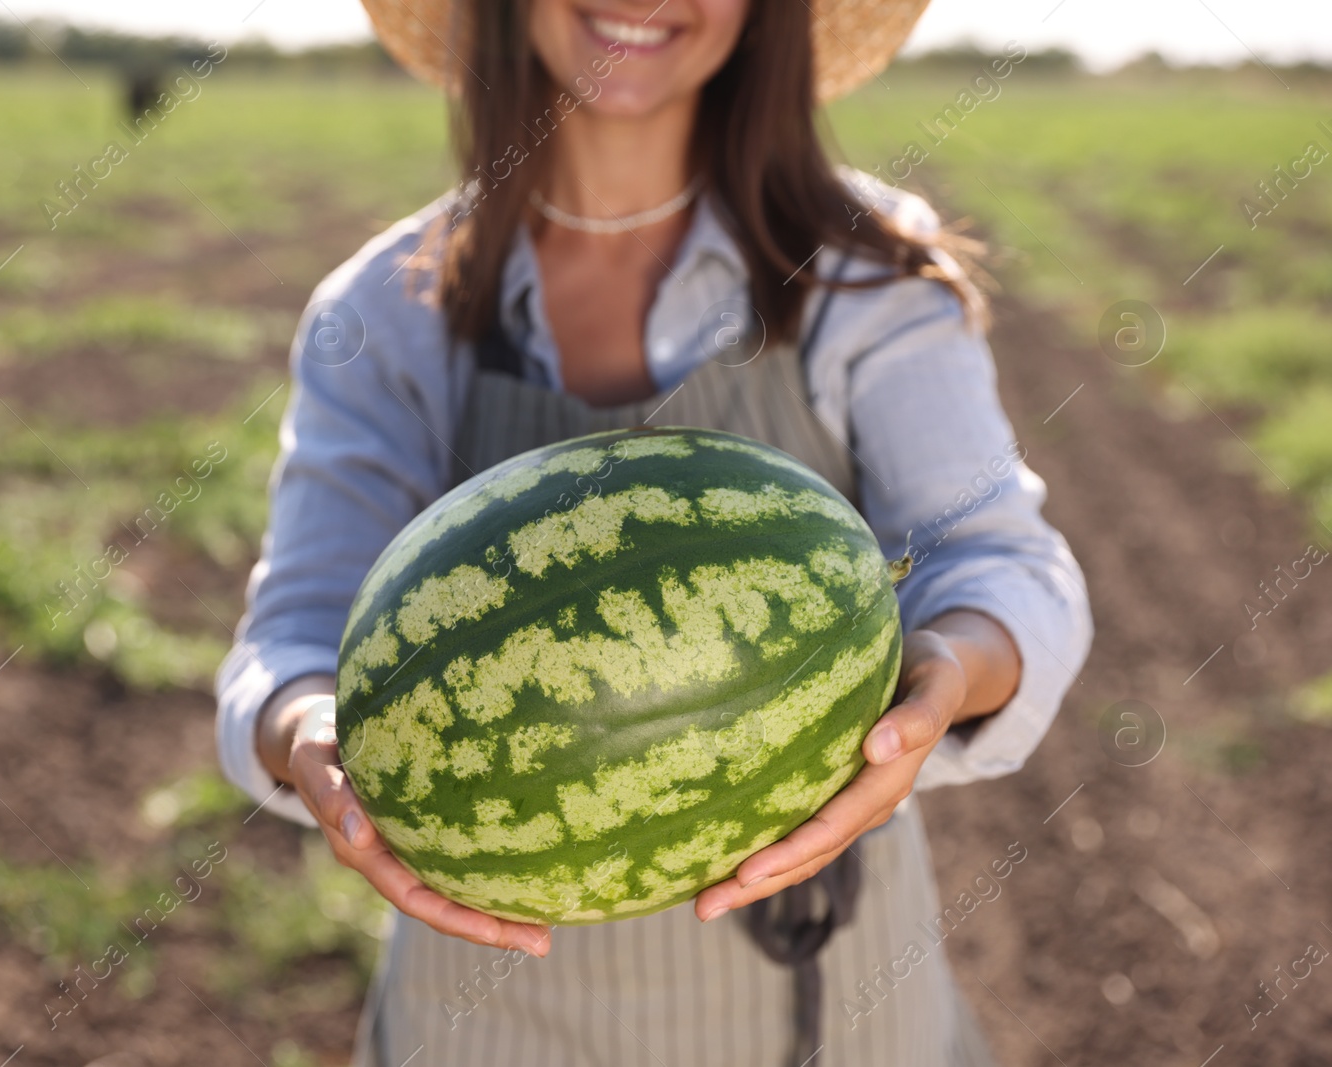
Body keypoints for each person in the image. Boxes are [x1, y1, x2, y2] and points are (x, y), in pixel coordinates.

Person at [216, 1, 1092, 1063]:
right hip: (485, 1016)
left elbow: (999, 560)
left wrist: (945, 669)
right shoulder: (381, 311)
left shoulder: (864, 272)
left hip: (829, 1002)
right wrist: (308, 730)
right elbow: (297, 635)